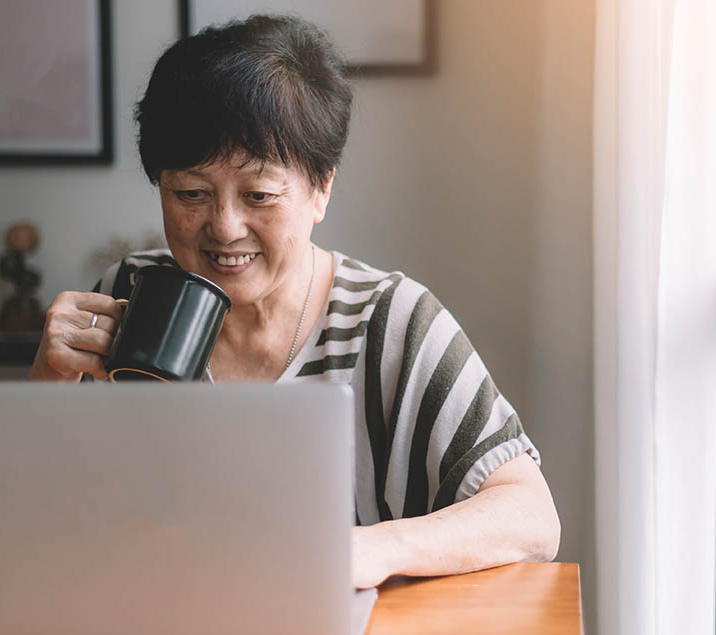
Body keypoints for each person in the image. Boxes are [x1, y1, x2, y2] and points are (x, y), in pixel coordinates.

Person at [27, 15, 560, 589]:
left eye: (258, 194)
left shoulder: (389, 321)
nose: (225, 227)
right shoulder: (128, 297)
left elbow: (532, 518)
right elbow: (29, 515)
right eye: (190, 194)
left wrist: (374, 550)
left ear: (320, 189)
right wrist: (47, 380)